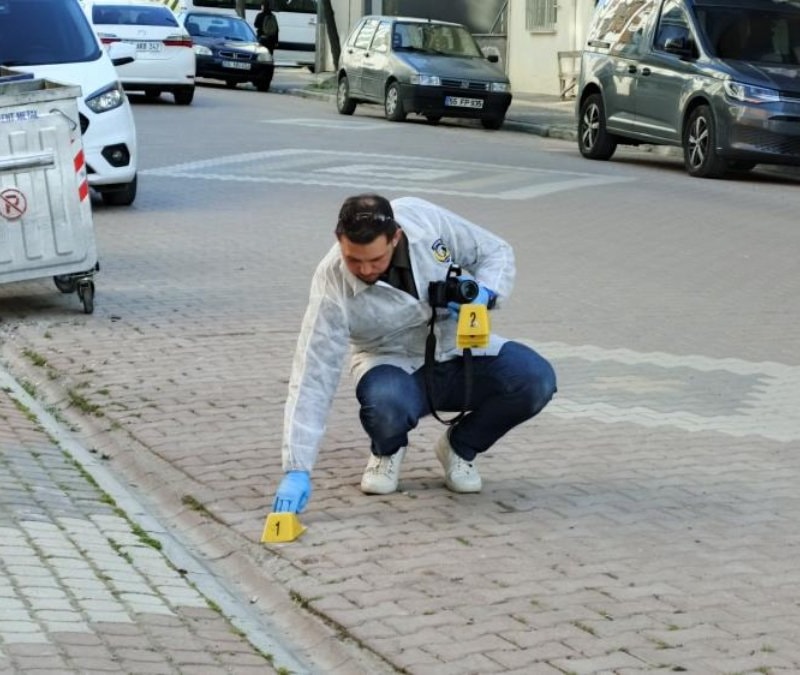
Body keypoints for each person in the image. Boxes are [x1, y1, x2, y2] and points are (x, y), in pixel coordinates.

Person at [271, 194, 557, 514]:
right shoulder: (331, 281)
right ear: (339, 241)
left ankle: (459, 448)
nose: (365, 269)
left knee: (535, 380)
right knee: (385, 403)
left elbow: (495, 251)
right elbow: (313, 373)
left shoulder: (422, 221)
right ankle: (387, 451)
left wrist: (486, 294)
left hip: (456, 349)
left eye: (375, 259)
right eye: (354, 260)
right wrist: (297, 468)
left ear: (396, 236)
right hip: (391, 361)